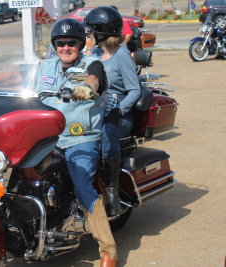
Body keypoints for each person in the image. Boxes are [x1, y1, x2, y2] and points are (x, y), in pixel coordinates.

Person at [36, 18, 118, 267]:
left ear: (81, 44)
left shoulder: (91, 65)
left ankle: (108, 250)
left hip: (79, 139)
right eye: (60, 43)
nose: (66, 47)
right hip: (44, 137)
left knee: (82, 183)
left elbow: (94, 79)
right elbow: (15, 78)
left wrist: (86, 88)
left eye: (71, 42)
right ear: (54, 45)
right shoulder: (44, 67)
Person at [84, 7, 141, 217]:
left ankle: (113, 192)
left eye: (91, 31)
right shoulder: (95, 53)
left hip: (119, 112)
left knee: (107, 135)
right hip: (98, 107)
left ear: (101, 32)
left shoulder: (122, 55)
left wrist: (120, 110)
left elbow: (135, 89)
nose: (88, 35)